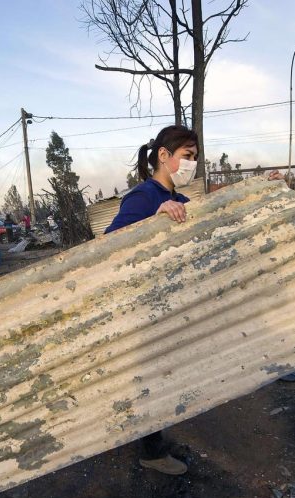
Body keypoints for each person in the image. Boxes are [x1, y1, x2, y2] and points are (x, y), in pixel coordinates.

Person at [103, 125, 201, 475]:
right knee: (151, 377)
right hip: (144, 305)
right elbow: (109, 244)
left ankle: (148, 438)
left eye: (195, 158)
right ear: (164, 155)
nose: (192, 164)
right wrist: (153, 221)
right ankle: (152, 451)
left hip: (168, 302)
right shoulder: (144, 197)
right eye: (187, 157)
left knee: (163, 375)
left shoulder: (183, 200)